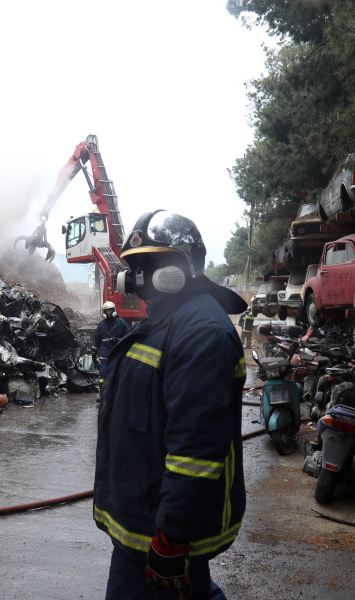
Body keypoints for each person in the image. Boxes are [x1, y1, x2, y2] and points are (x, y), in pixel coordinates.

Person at [93, 210, 247, 600]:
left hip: (159, 532)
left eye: (152, 263)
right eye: (135, 266)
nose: (139, 276)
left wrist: (172, 538)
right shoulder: (162, 321)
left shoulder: (200, 331)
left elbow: (196, 448)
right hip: (144, 519)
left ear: (184, 267)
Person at [93, 300, 130, 399]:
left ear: (114, 310)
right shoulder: (101, 325)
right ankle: (103, 394)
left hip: (118, 354)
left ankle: (119, 394)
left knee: (119, 374)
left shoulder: (121, 323)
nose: (109, 312)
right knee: (103, 375)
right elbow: (97, 340)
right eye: (106, 311)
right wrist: (94, 352)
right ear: (103, 313)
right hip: (105, 355)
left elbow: (128, 337)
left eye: (110, 310)